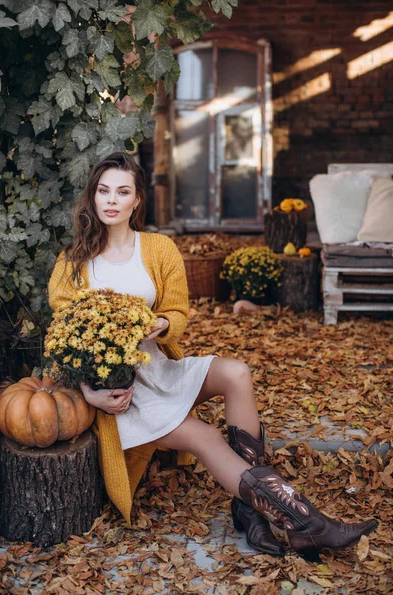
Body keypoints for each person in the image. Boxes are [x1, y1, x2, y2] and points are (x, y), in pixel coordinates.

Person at [48, 152, 377, 559]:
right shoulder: (72, 263)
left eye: (122, 191)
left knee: (236, 372)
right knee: (204, 436)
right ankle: (305, 523)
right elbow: (65, 343)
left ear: (137, 200)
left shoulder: (158, 248)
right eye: (103, 191)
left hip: (158, 368)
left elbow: (177, 311)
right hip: (120, 394)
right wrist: (89, 394)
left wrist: (162, 325)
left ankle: (249, 510)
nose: (111, 200)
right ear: (93, 197)